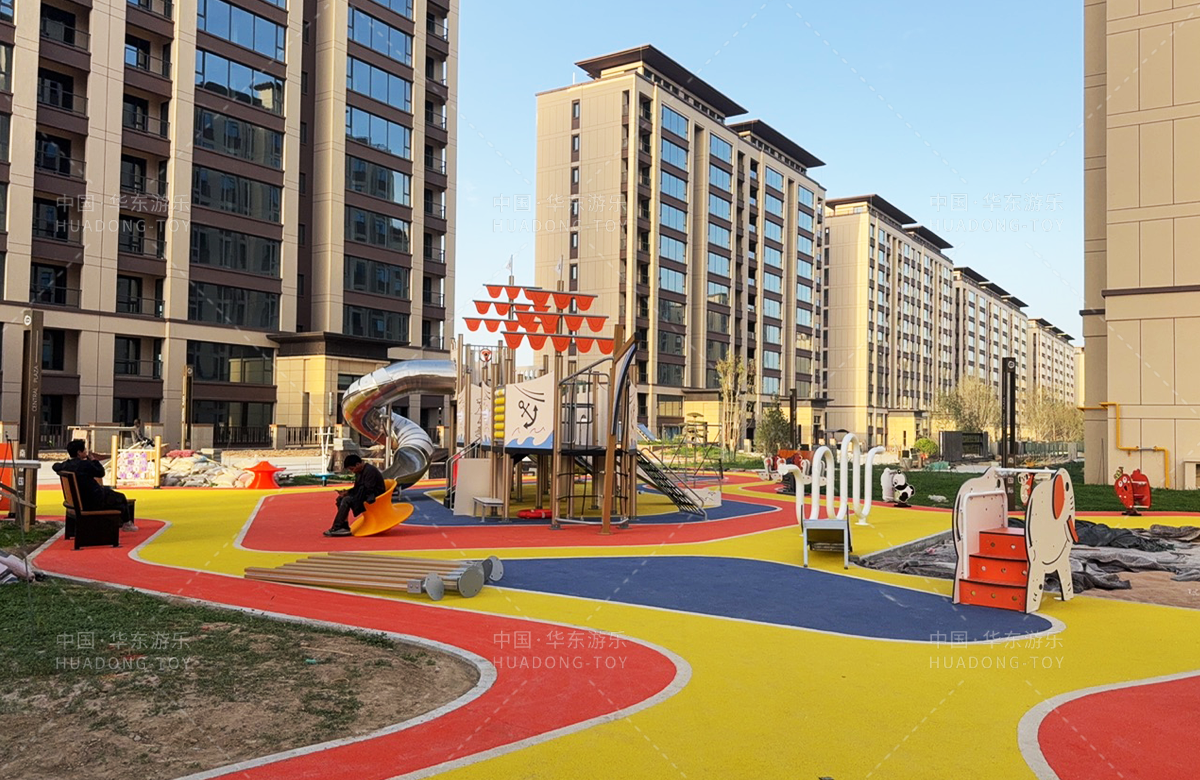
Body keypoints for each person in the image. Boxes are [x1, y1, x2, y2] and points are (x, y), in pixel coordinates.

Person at [53, 439, 137, 532]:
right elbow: (100, 473)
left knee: (110, 492)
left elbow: (55, 466)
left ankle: (125, 523)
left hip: (78, 500)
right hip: (93, 500)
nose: (86, 452)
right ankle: (126, 523)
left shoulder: (66, 465)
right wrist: (93, 460)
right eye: (84, 450)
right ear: (79, 452)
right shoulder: (85, 465)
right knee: (121, 498)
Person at [324, 454, 386, 537]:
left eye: (352, 469)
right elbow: (358, 488)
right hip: (364, 493)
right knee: (340, 499)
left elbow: (368, 489)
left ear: (358, 464)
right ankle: (344, 526)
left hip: (373, 495)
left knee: (346, 500)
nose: (352, 471)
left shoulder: (370, 471)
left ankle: (337, 527)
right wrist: (347, 492)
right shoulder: (359, 471)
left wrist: (351, 495)